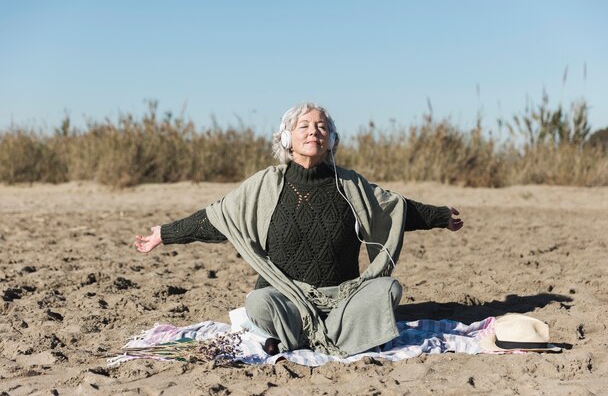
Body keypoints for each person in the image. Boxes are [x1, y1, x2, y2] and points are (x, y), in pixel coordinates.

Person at [135, 103, 463, 357]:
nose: (313, 132)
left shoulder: (350, 185)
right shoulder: (264, 185)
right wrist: (165, 233)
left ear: (332, 140)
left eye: (322, 127)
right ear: (287, 138)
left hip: (341, 298)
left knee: (387, 289)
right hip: (285, 297)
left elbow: (396, 209)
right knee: (258, 302)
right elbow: (217, 219)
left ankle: (313, 336)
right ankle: (322, 335)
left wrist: (440, 216)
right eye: (304, 126)